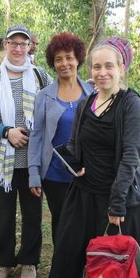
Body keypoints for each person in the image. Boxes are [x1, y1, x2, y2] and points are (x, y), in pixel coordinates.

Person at [35, 37, 140, 278]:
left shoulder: (130, 104)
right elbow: (74, 143)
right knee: (67, 253)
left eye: (108, 66)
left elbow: (130, 157)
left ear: (121, 68)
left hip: (119, 201)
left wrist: (116, 206)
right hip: (83, 193)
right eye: (96, 66)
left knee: (118, 266)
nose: (102, 72)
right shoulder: (87, 101)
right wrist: (74, 163)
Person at [0, 25, 52, 278]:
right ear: (5, 45)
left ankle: (29, 261)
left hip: (32, 161)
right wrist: (6, 131)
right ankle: (3, 262)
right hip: (0, 159)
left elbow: (54, 106)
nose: (19, 48)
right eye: (13, 43)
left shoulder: (41, 76)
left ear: (30, 46)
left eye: (24, 43)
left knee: (32, 213)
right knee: (3, 213)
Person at [28, 33, 93, 245]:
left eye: (68, 57)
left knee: (86, 225)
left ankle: (84, 274)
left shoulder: (92, 93)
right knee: (61, 226)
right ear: (53, 63)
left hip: (88, 174)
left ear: (78, 59)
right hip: (55, 175)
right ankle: (62, 274)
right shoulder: (45, 96)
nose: (64, 63)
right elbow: (36, 135)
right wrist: (33, 173)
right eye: (58, 59)